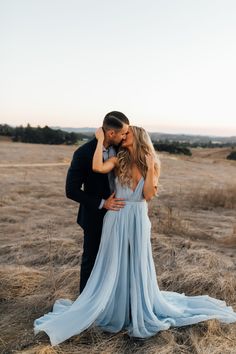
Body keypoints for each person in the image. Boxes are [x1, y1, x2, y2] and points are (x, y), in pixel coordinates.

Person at [34, 126, 236, 346]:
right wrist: (101, 140)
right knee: (115, 262)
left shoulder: (151, 164)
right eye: (122, 133)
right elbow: (96, 166)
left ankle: (135, 305)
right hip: (117, 217)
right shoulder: (117, 159)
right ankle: (113, 304)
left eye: (127, 134)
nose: (123, 137)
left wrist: (150, 169)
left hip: (138, 219)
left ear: (137, 137)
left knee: (137, 262)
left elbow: (148, 195)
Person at [65, 111, 129, 293]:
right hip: (95, 216)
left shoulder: (122, 150)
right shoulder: (83, 153)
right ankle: (86, 303)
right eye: (123, 133)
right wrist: (103, 203)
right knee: (91, 261)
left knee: (116, 260)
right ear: (111, 134)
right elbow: (71, 190)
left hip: (121, 214)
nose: (125, 137)